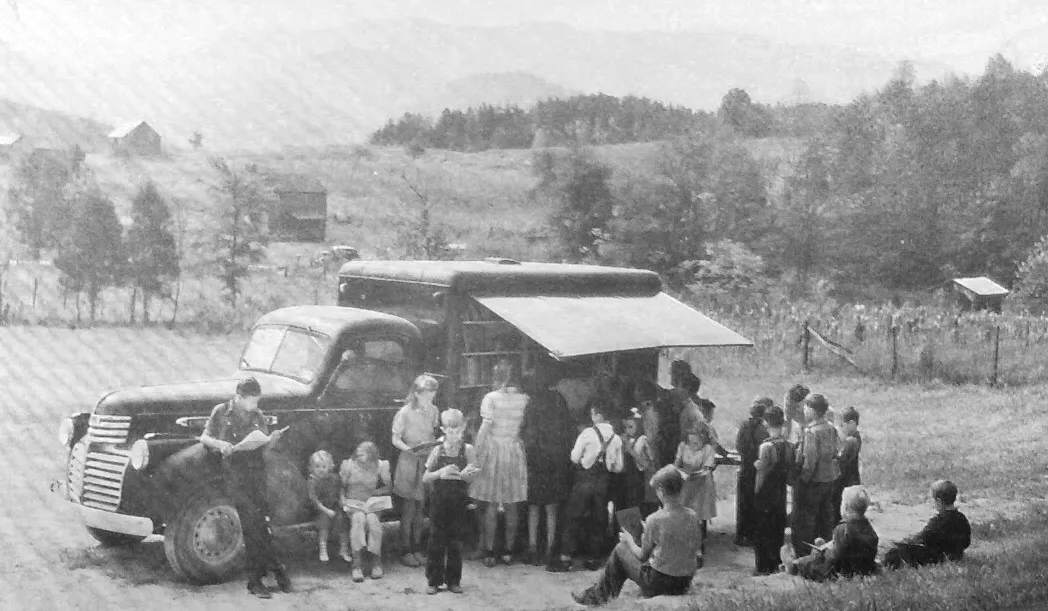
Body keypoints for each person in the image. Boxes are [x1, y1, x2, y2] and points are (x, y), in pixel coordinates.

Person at [199, 377, 290, 599]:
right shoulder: (221, 411)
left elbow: (264, 448)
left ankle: (274, 570)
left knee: (260, 524)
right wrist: (221, 445)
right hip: (234, 475)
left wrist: (271, 440)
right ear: (238, 398)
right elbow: (204, 437)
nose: (255, 406)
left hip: (257, 474)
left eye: (257, 401)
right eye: (251, 401)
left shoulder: (258, 415)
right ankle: (257, 579)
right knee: (252, 526)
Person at [570, 465, 702, 606]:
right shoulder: (692, 516)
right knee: (632, 551)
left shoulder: (655, 519)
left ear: (661, 492)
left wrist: (629, 540)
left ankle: (598, 597)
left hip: (659, 582)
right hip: (684, 581)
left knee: (620, 550)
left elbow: (642, 556)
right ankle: (598, 593)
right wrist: (647, 530)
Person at [550, 399, 624, 572]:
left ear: (598, 415)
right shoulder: (616, 438)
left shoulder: (587, 434)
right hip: (603, 481)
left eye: (592, 414)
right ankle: (593, 557)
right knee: (598, 518)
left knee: (574, 515)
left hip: (585, 478)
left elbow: (575, 457)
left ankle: (566, 556)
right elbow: (618, 467)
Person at [470, 360, 530, 567]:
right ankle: (508, 551)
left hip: (494, 449)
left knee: (492, 503)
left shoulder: (491, 399)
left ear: (498, 377)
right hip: (513, 449)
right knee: (512, 502)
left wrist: (476, 452)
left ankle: (489, 551)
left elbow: (485, 426)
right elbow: (521, 426)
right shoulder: (524, 399)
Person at [521, 362, 576, 568]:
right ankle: (551, 548)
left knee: (534, 505)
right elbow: (568, 428)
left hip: (537, 457)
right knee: (552, 506)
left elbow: (528, 432)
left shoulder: (532, 403)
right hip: (557, 458)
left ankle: (533, 548)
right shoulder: (559, 400)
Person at [422, 409, 480, 595]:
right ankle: (433, 580)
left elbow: (475, 475)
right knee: (436, 541)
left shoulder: (468, 450)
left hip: (459, 502)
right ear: (443, 429)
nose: (454, 435)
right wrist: (441, 473)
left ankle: (454, 580)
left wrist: (465, 476)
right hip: (439, 501)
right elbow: (425, 477)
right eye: (450, 431)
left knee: (456, 542)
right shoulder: (437, 450)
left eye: (458, 431)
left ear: (463, 428)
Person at [391, 374, 440, 567]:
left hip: (426, 460)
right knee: (409, 508)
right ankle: (405, 549)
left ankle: (417, 547)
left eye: (433, 395)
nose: (430, 399)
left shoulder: (434, 410)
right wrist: (409, 450)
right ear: (417, 393)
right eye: (427, 395)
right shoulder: (404, 412)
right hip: (410, 461)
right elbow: (396, 439)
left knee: (421, 508)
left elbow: (433, 432)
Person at [786, 485, 879, 581]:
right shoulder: (867, 527)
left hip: (841, 570)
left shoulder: (842, 529)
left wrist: (824, 552)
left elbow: (837, 557)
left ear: (846, 507)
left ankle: (792, 566)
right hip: (863, 567)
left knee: (810, 562)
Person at [883, 480, 971, 570]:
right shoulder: (962, 518)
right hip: (956, 554)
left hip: (937, 556)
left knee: (897, 551)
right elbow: (967, 542)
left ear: (939, 502)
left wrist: (905, 542)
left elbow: (923, 538)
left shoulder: (938, 521)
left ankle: (886, 566)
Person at [792, 393, 840, 556]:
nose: (804, 410)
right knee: (825, 516)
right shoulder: (831, 428)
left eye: (806, 407)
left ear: (812, 410)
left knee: (807, 518)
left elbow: (810, 461)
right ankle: (825, 550)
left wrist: (803, 480)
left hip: (814, 480)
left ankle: (804, 554)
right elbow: (835, 451)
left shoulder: (811, 432)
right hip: (830, 477)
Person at [340, 441, 393, 582]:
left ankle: (376, 562)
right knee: (358, 519)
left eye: (363, 454)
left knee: (373, 522)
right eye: (358, 453)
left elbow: (388, 488)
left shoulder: (380, 465)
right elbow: (341, 487)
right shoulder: (349, 465)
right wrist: (343, 500)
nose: (359, 456)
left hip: (370, 503)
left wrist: (374, 492)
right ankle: (357, 565)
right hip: (353, 503)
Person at [752, 405, 794, 575]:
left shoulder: (766, 447)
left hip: (766, 493)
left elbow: (761, 474)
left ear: (766, 423)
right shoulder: (789, 446)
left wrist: (756, 491)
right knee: (777, 529)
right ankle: (776, 562)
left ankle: (763, 566)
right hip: (781, 491)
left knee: (763, 530)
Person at [735, 397, 771, 547]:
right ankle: (752, 535)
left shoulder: (743, 425)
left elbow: (738, 446)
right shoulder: (763, 430)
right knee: (755, 502)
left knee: (743, 502)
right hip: (756, 469)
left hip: (745, 467)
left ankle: (740, 534)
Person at [674, 420, 716, 550]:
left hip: (701, 483)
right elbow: (676, 464)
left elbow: (707, 468)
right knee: (682, 512)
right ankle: (682, 543)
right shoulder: (682, 446)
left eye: (697, 443)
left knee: (698, 514)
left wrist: (696, 474)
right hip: (685, 481)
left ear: (703, 439)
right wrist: (679, 471)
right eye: (691, 442)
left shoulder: (708, 449)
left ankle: (698, 546)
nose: (693, 445)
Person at [307, 449, 344, 563]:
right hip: (320, 508)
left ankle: (344, 547)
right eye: (317, 466)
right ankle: (323, 549)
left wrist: (342, 498)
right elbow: (314, 500)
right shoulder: (312, 481)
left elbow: (340, 489)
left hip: (335, 506)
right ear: (312, 468)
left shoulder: (334, 478)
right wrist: (326, 510)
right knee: (324, 524)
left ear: (329, 467)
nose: (321, 469)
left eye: (324, 466)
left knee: (343, 521)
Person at [620, 408, 658, 518]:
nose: (628, 430)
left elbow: (647, 465)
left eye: (631, 427)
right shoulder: (627, 440)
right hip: (628, 481)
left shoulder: (643, 441)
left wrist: (631, 451)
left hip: (640, 482)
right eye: (626, 427)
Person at [832, 407, 862, 525]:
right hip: (849, 479)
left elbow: (843, 462)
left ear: (852, 423)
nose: (842, 429)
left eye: (843, 425)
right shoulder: (853, 438)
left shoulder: (852, 441)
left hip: (846, 481)